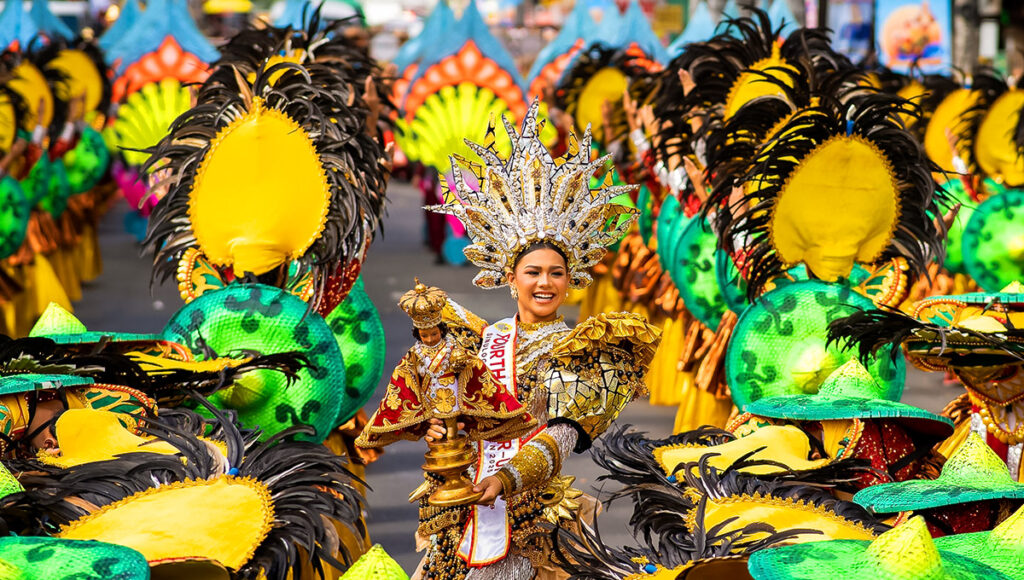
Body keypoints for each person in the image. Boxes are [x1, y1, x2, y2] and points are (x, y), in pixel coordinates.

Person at [413, 101, 661, 579]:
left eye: (556, 273)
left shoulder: (584, 349)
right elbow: (450, 412)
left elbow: (562, 435)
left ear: (572, 281)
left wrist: (507, 477)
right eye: (533, 272)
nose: (544, 283)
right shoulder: (482, 341)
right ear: (510, 277)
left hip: (528, 515)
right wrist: (441, 436)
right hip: (464, 510)